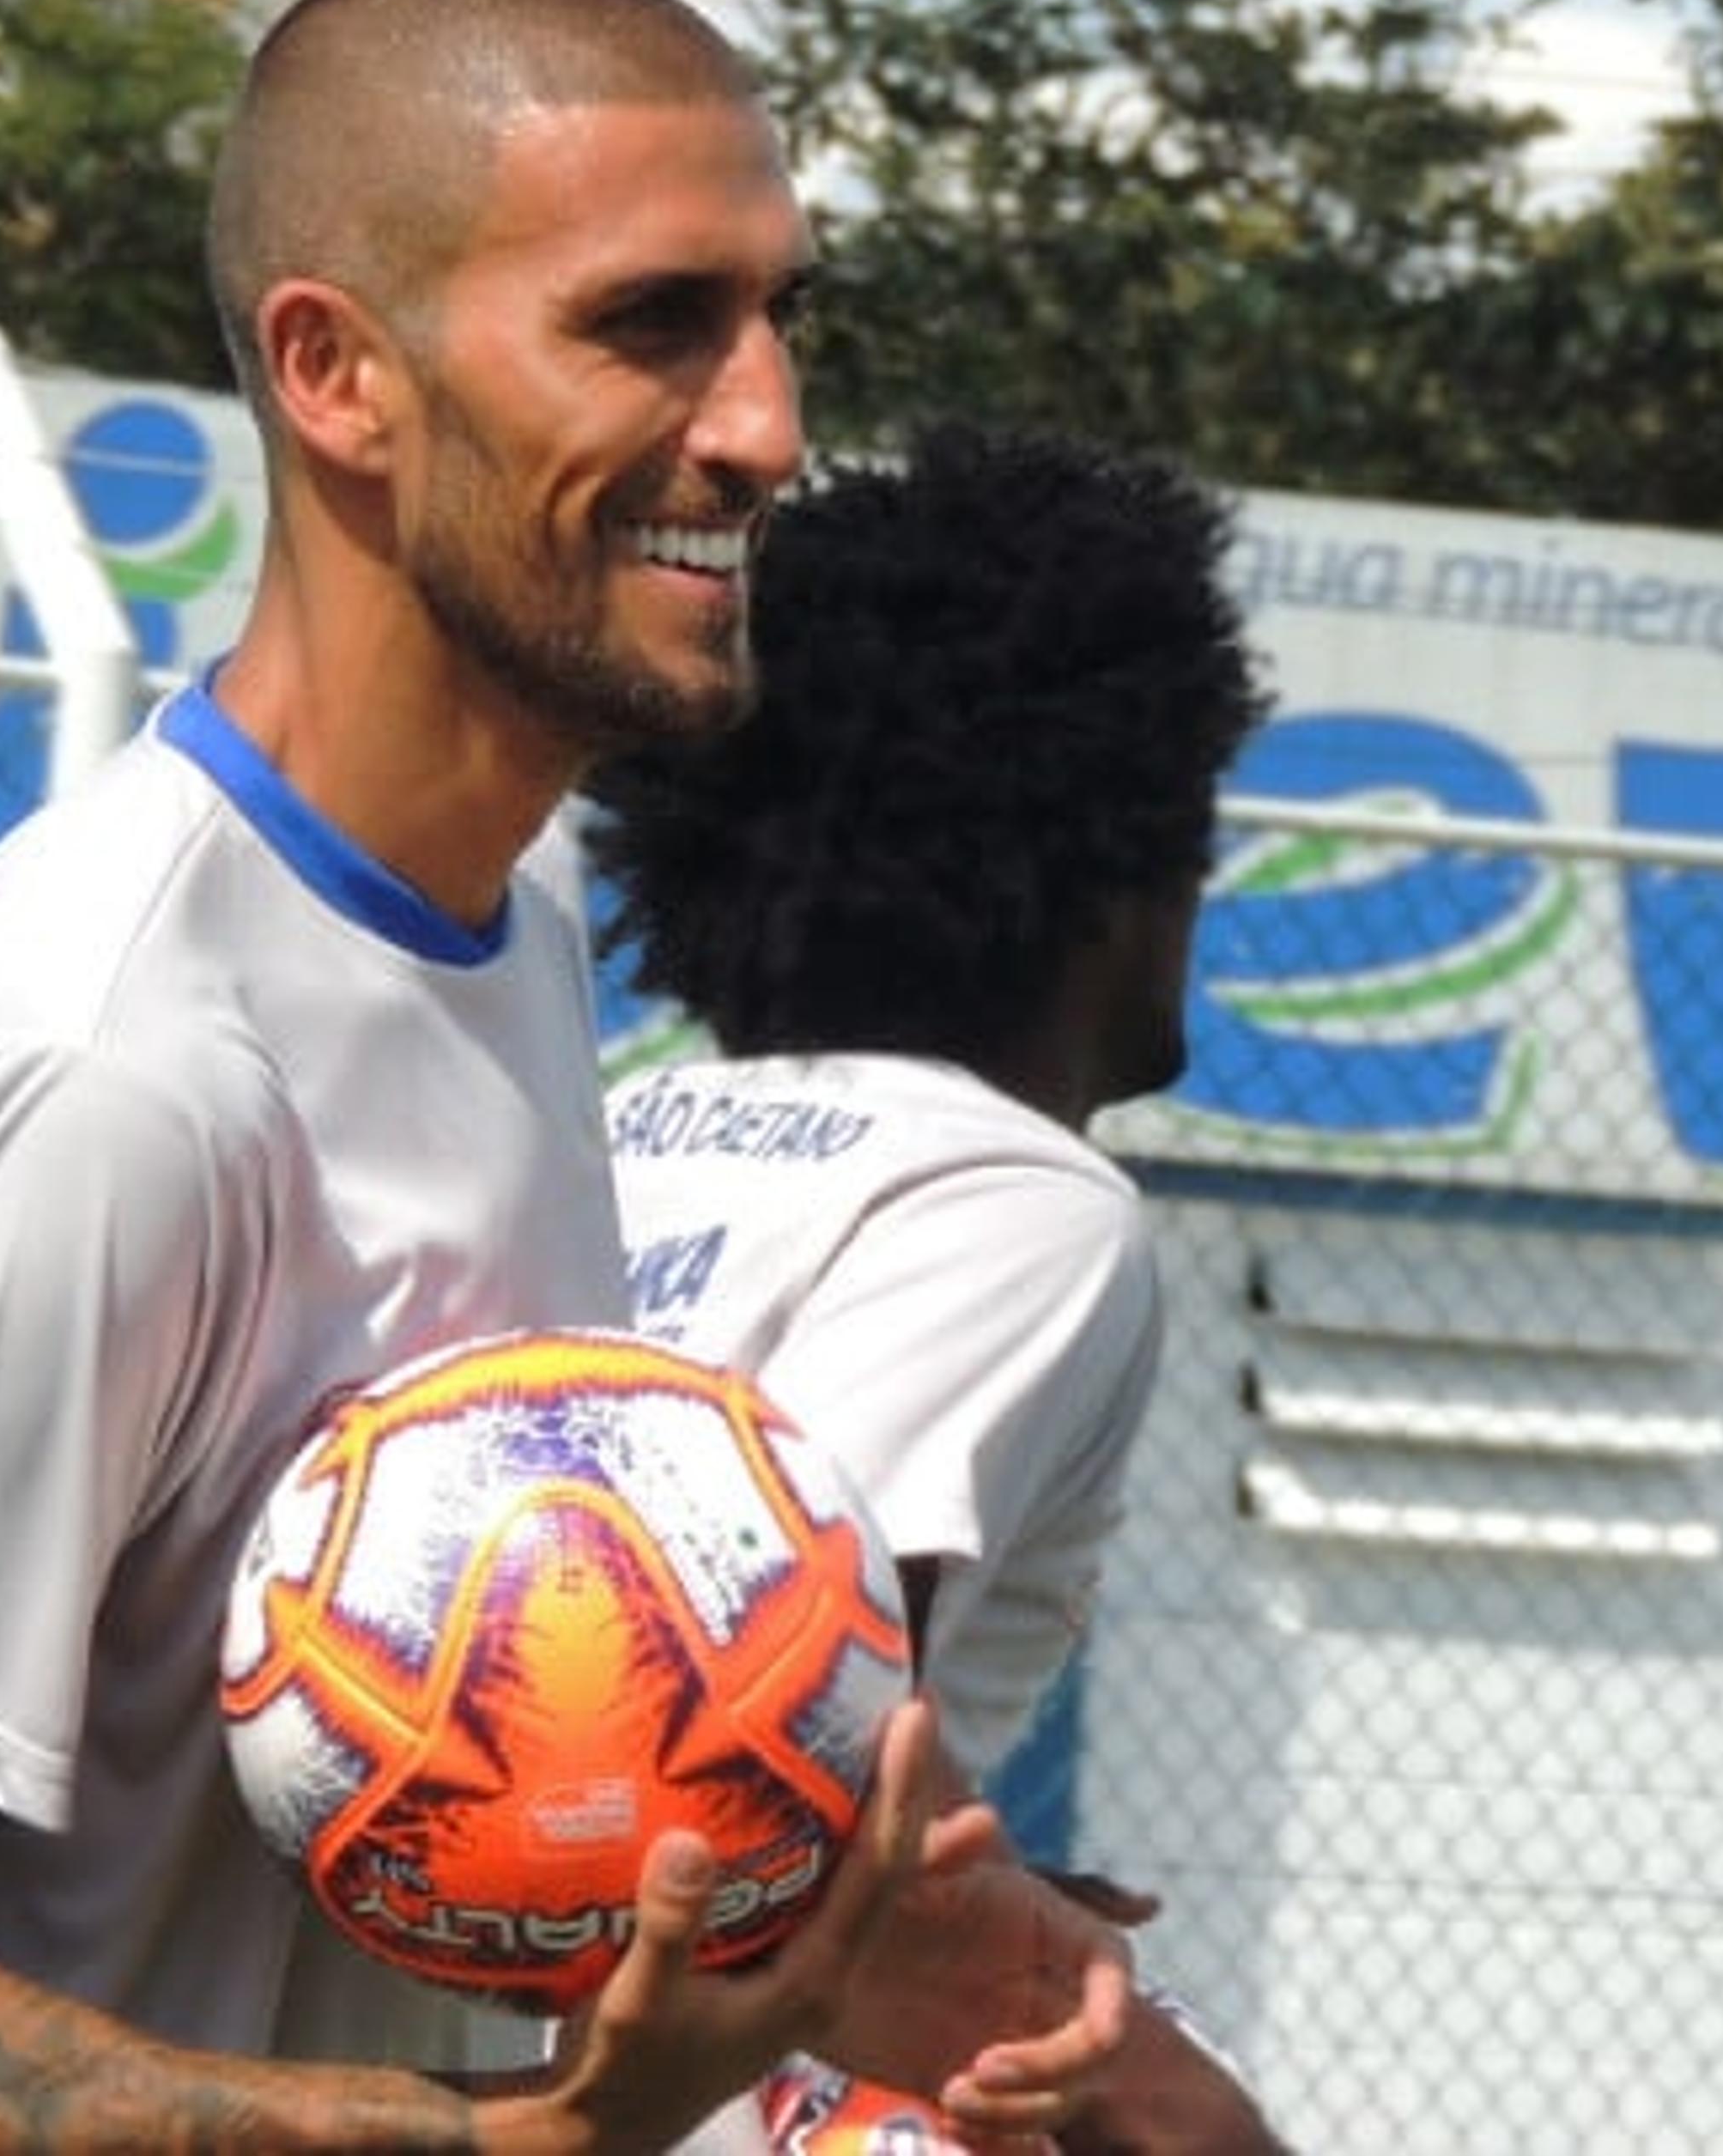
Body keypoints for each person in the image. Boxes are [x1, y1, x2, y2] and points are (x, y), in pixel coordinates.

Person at [0, 0, 1131, 2155]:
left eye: (784, 317)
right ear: (337, 370)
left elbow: (410, 1805)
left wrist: (837, 1907)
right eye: (651, 323)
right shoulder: (93, 1071)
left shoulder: (502, 928)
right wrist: (491, 2145)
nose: (769, 425)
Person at [591, 422, 1289, 2153]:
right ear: (1120, 865)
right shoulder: (1019, 1200)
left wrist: (976, 1845)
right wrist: (1132, 2070)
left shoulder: (620, 1128)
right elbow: (742, 1698)